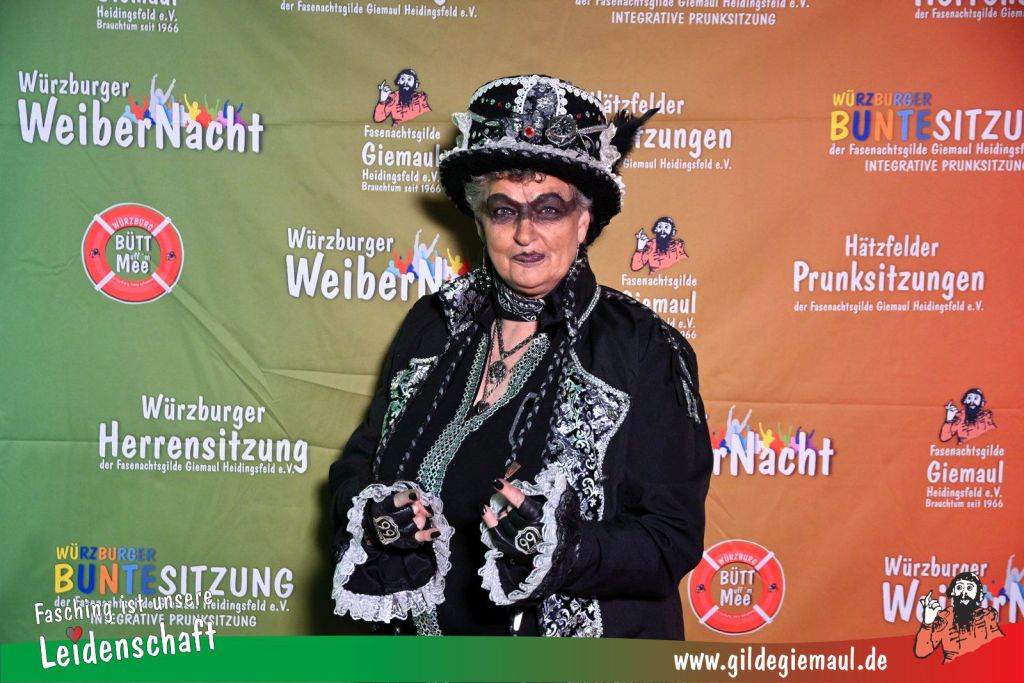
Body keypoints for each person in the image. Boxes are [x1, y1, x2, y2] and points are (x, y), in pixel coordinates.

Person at [328, 74, 713, 638]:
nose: (525, 234)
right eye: (504, 210)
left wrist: (567, 548)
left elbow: (670, 539)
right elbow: (357, 464)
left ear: (584, 220)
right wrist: (375, 513)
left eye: (549, 209)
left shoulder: (642, 349)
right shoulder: (433, 325)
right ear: (479, 220)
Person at [915, 572, 1003, 663]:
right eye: (959, 587)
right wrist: (927, 622)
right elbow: (921, 652)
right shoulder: (945, 617)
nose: (964, 593)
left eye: (969, 588)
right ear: (952, 591)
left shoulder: (986, 616)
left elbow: (1001, 649)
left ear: (979, 594)